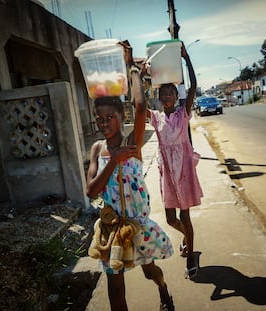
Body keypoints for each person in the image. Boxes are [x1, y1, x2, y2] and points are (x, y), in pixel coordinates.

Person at [86, 40, 174, 311]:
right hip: (112, 228)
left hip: (138, 225)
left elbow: (139, 106)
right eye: (99, 119)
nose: (104, 124)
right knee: (115, 288)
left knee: (150, 272)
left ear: (119, 116)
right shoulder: (98, 149)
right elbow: (91, 191)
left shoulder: (133, 144)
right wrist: (113, 160)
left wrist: (131, 67)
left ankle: (164, 291)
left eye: (109, 118)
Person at [146, 42, 203, 279]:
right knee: (171, 218)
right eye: (164, 93)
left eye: (171, 92)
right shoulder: (156, 117)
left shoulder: (183, 113)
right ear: (158, 97)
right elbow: (135, 104)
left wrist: (187, 58)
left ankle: (190, 255)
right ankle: (186, 238)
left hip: (185, 170)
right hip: (167, 172)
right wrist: (140, 74)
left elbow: (193, 86)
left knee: (184, 216)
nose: (168, 95)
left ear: (175, 96)